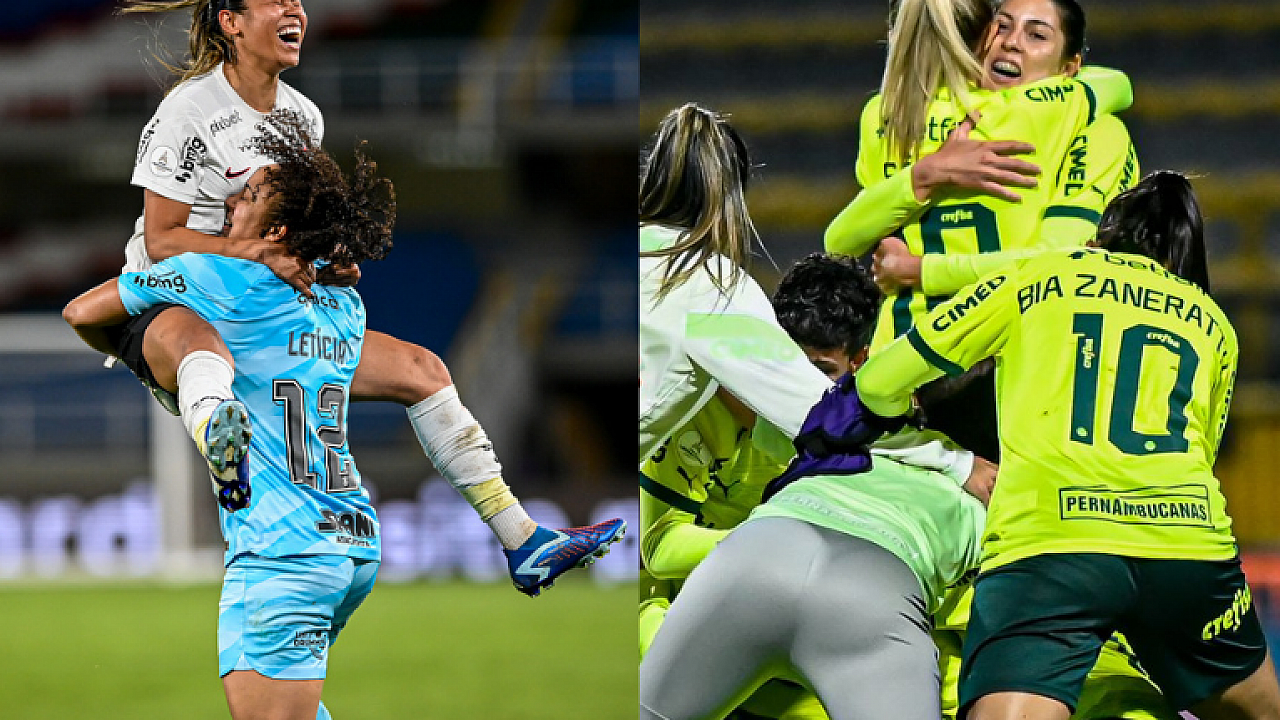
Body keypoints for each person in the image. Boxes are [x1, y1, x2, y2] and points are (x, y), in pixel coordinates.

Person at [114, 0, 621, 595]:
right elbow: (162, 238)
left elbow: (293, 226)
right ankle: (218, 435)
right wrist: (258, 255)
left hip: (262, 301)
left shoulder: (303, 117)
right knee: (202, 356)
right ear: (231, 22)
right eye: (276, 0)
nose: (295, 10)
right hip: (181, 299)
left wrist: (326, 258)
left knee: (422, 371)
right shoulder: (190, 109)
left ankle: (523, 539)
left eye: (298, 1)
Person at [848, 171, 1280, 720]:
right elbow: (1203, 452)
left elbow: (881, 382)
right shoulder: (1214, 322)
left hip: (1053, 548)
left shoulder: (1040, 273)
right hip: (1186, 549)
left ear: (1102, 234)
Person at [640, 253, 989, 720]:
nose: (790, 387)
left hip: (811, 633)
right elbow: (657, 547)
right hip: (723, 627)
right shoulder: (700, 413)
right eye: (783, 363)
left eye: (820, 370)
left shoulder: (887, 434)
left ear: (860, 361)